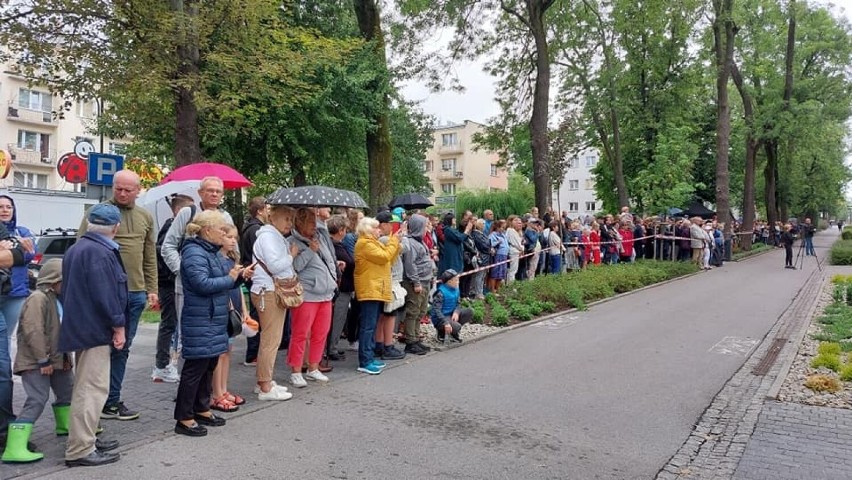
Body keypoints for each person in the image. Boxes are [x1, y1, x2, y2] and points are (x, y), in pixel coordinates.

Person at [78, 170, 157, 422]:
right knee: (98, 349)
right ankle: (91, 403)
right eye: (118, 188)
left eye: (128, 190)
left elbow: (149, 255)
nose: (122, 193)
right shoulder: (97, 213)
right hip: (104, 292)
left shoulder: (145, 216)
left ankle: (112, 401)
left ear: (138, 189)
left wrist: (151, 288)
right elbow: (82, 247)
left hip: (133, 293)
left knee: (123, 349)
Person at [59, 204, 125, 467]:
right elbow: (105, 295)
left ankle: (86, 439)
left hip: (83, 325)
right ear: (115, 227)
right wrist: (118, 325)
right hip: (94, 328)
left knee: (88, 387)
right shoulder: (99, 252)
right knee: (91, 389)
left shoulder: (78, 248)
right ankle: (80, 448)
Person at [174, 210, 238, 437]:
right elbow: (202, 283)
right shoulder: (194, 252)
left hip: (212, 317)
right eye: (221, 229)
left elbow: (221, 278)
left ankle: (201, 408)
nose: (224, 233)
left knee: (209, 365)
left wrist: (235, 274)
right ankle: (184, 417)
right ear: (207, 230)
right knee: (195, 368)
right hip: (200, 318)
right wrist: (229, 278)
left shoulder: (211, 251)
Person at [1, 259, 69, 463]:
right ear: (53, 281)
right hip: (37, 363)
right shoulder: (38, 299)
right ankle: (14, 447)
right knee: (37, 400)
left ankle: (65, 426)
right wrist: (42, 360)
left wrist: (65, 359)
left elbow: (59, 332)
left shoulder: (56, 298)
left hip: (55, 360)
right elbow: (34, 331)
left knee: (68, 391)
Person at [0, 195, 36, 448]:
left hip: (14, 294)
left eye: (8, 207)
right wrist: (14, 250)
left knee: (4, 354)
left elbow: (25, 256)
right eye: (0, 207)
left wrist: (13, 250)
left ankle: (4, 428)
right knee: (2, 363)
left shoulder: (21, 231)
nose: (4, 210)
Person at [250, 205, 297, 401]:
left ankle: (264, 381)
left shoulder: (274, 237)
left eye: (291, 219)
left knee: (272, 340)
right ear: (273, 218)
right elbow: (275, 265)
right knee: (271, 341)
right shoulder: (268, 237)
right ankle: (265, 387)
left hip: (271, 291)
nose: (289, 223)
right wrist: (291, 255)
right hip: (268, 291)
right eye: (286, 219)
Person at [287, 208, 338, 387]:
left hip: (325, 293)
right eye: (310, 223)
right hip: (307, 294)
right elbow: (295, 267)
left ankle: (313, 367)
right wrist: (309, 251)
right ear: (299, 223)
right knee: (300, 333)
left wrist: (334, 275)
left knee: (320, 333)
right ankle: (296, 369)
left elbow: (328, 259)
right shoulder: (292, 242)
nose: (314, 227)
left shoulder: (320, 238)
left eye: (314, 222)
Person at [353, 216, 404, 375]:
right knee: (367, 327)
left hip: (376, 288)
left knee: (372, 325)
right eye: (376, 228)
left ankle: (369, 355)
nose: (379, 230)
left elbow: (388, 260)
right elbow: (384, 257)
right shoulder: (364, 244)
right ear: (368, 230)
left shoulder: (372, 243)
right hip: (370, 289)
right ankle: (364, 360)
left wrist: (396, 245)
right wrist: (394, 241)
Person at [152, 194, 194, 383]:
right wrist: (179, 269)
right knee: (169, 323)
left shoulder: (174, 226)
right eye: (190, 210)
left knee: (172, 323)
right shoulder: (171, 226)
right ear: (179, 211)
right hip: (168, 282)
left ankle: (166, 363)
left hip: (169, 281)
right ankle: (161, 365)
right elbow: (164, 251)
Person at [210, 224, 248, 413]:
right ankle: (216, 393)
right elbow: (224, 286)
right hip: (224, 309)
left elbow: (237, 287)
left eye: (235, 237)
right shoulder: (217, 260)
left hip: (234, 306)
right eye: (229, 237)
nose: (233, 241)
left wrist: (244, 309)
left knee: (228, 351)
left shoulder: (232, 259)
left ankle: (224, 389)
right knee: (220, 353)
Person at [239, 197, 268, 367]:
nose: (269, 211)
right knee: (258, 313)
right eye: (267, 208)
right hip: (256, 274)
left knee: (257, 312)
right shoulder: (256, 230)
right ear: (260, 210)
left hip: (252, 272)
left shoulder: (251, 227)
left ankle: (253, 352)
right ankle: (252, 353)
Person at [400, 214, 433, 356]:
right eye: (425, 225)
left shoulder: (420, 241)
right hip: (416, 282)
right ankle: (410, 341)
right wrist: (416, 282)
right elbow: (410, 264)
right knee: (413, 311)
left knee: (421, 311)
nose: (427, 228)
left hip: (425, 280)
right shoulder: (410, 242)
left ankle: (416, 336)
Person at [327, 215, 354, 362]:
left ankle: (332, 346)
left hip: (343, 287)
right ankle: (331, 348)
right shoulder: (335, 246)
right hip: (341, 288)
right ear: (340, 230)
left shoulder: (336, 244)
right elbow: (349, 262)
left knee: (338, 318)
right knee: (337, 319)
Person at [430, 269, 473, 342]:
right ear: (449, 281)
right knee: (457, 327)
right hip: (441, 318)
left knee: (469, 312)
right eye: (456, 280)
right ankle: (442, 332)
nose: (458, 282)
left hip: (451, 314)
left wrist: (456, 312)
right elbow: (436, 310)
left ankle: (452, 332)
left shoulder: (456, 289)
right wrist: (445, 322)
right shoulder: (440, 293)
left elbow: (458, 303)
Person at [469, 219, 491, 299]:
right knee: (479, 276)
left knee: (482, 276)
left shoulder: (482, 234)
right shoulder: (476, 234)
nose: (484, 225)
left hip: (486, 257)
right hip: (481, 257)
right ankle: (478, 293)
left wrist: (489, 247)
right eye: (483, 224)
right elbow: (483, 245)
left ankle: (480, 291)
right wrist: (489, 248)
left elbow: (488, 243)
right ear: (479, 225)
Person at [487, 220, 509, 292]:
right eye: (502, 227)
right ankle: (492, 289)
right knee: (495, 272)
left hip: (504, 255)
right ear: (497, 227)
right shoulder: (493, 235)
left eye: (504, 228)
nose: (503, 229)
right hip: (498, 255)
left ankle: (498, 288)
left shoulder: (503, 235)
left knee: (502, 272)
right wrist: (497, 242)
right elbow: (490, 244)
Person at [505, 216, 523, 284]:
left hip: (516, 251)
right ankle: (510, 285)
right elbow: (517, 243)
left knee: (513, 270)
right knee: (512, 270)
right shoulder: (510, 230)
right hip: (513, 252)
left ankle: (510, 284)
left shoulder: (516, 231)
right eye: (515, 220)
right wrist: (522, 249)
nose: (518, 223)